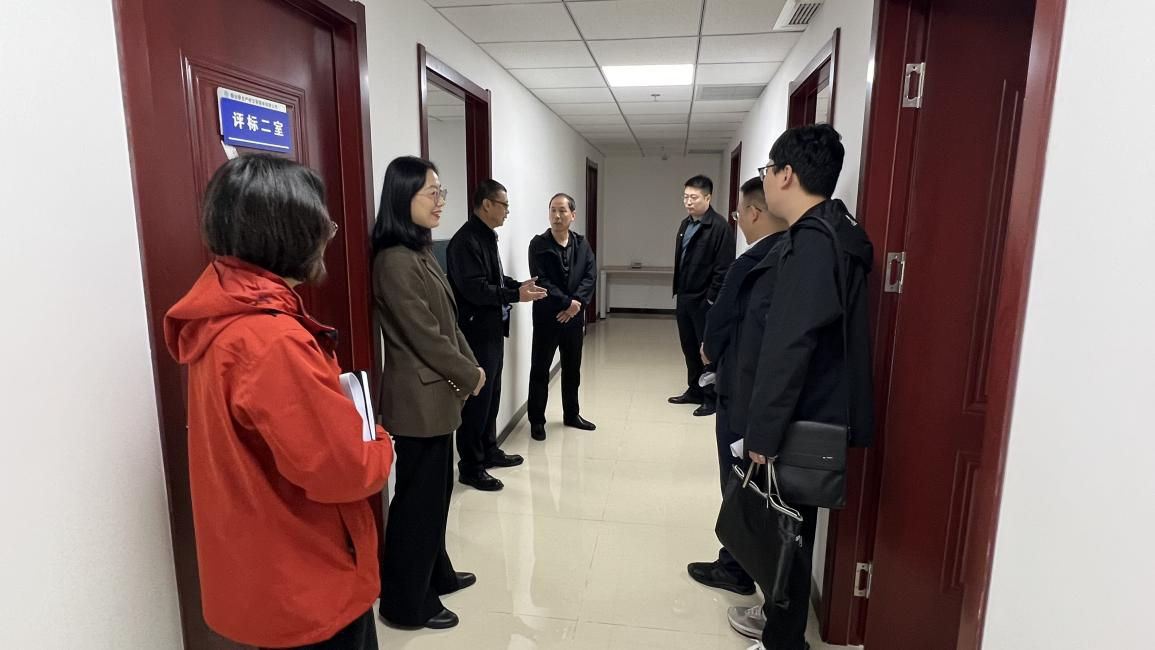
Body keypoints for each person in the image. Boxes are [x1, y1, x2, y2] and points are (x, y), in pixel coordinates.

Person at [164, 154, 393, 650]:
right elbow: (344, 470)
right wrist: (379, 442)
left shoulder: (221, 318)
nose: (329, 236)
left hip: (263, 570)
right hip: (307, 582)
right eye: (323, 224)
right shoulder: (271, 341)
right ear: (292, 235)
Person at [729, 124, 875, 649]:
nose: (766, 179)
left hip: (799, 419)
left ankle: (783, 642)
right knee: (792, 529)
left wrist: (763, 433)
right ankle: (780, 628)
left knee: (785, 531)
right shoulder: (834, 229)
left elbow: (791, 344)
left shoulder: (813, 244)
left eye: (768, 170)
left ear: (787, 174)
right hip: (815, 411)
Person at [371, 156, 485, 630]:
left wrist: (472, 368)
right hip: (417, 403)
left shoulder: (418, 252)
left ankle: (437, 574)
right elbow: (424, 335)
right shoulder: (394, 260)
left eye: (442, 192)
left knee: (437, 496)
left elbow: (448, 323)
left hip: (437, 397)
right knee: (417, 505)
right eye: (431, 193)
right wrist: (468, 373)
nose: (441, 202)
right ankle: (404, 603)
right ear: (404, 198)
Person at [687, 176, 790, 598]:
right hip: (770, 396)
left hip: (741, 393)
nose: (739, 221)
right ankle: (745, 563)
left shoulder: (750, 263)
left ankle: (735, 566)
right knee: (755, 482)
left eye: (740, 213)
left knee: (736, 478)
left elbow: (715, 332)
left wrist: (709, 351)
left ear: (753, 212)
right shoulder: (796, 254)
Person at [447, 179, 546, 491]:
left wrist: (517, 285)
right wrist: (515, 295)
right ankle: (471, 467)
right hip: (475, 333)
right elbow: (475, 289)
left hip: (492, 330)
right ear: (486, 204)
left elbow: (494, 278)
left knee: (492, 396)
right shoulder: (465, 241)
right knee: (477, 400)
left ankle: (489, 450)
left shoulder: (486, 236)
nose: (507, 211)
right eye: (504, 205)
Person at [526, 192, 597, 441]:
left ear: (572, 215)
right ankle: (537, 420)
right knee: (540, 370)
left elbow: (590, 276)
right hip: (548, 318)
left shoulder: (582, 244)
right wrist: (568, 303)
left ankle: (572, 414)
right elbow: (541, 281)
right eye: (553, 210)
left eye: (562, 211)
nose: (557, 216)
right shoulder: (538, 244)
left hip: (574, 320)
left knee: (572, 369)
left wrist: (577, 304)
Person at [669, 174, 735, 417]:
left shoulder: (719, 227)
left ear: (708, 198)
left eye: (694, 197)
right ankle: (694, 390)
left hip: (704, 301)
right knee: (689, 347)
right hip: (685, 297)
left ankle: (711, 397)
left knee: (707, 351)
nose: (688, 201)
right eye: (686, 197)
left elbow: (723, 268)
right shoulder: (685, 225)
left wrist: (710, 299)